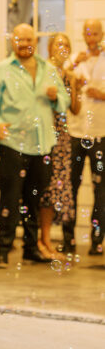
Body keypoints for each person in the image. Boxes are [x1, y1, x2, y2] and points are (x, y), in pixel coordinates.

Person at [0, 23, 70, 265]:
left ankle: (31, 248)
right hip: (12, 142)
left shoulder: (48, 69)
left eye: (29, 40)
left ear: (35, 41)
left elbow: (65, 102)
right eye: (20, 40)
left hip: (42, 144)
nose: (25, 44)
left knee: (35, 199)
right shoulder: (2, 70)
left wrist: (56, 98)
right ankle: (3, 249)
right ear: (13, 41)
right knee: (9, 199)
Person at [63, 19, 105, 255]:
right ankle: (68, 239)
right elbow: (59, 83)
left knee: (101, 189)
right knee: (71, 186)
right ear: (83, 34)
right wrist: (71, 70)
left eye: (96, 32)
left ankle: (97, 241)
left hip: (102, 132)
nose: (92, 36)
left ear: (102, 34)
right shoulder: (74, 61)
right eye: (88, 32)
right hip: (76, 132)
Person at [38, 33, 80, 259]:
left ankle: (45, 240)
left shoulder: (68, 74)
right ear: (50, 48)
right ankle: (41, 240)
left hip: (63, 137)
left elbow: (74, 109)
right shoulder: (43, 70)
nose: (62, 47)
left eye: (66, 44)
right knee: (45, 187)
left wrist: (74, 84)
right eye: (58, 44)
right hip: (45, 134)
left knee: (56, 189)